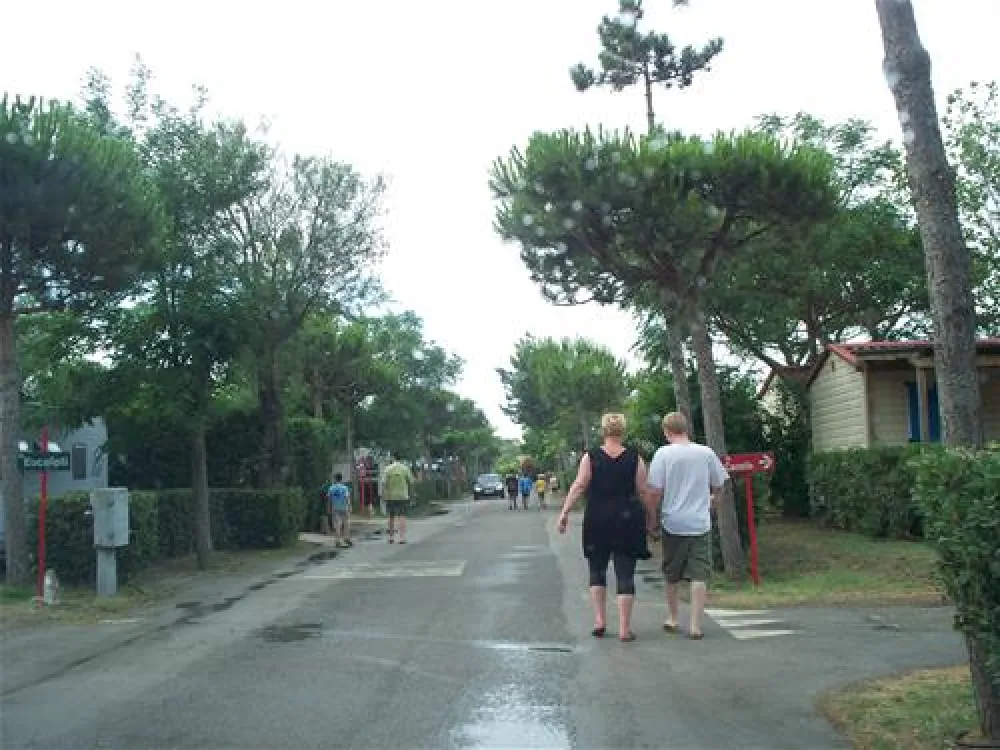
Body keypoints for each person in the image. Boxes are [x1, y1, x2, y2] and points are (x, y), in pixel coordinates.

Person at [558, 413, 654, 642]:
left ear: (603, 431)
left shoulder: (590, 457)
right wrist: (652, 515)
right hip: (627, 519)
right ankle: (624, 628)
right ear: (623, 431)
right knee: (625, 574)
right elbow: (643, 490)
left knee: (597, 571)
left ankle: (600, 620)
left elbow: (580, 484)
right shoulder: (634, 457)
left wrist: (565, 512)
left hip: (598, 518)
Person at [646, 411, 729, 641]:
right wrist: (712, 504)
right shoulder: (705, 453)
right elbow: (720, 485)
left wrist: (651, 518)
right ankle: (695, 625)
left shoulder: (663, 454)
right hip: (699, 523)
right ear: (686, 428)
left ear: (666, 431)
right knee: (699, 575)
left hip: (673, 521)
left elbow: (654, 491)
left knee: (672, 574)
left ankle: (673, 617)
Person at [380, 455, 415, 544]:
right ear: (400, 459)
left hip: (390, 496)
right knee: (402, 516)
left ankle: (391, 537)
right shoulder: (405, 468)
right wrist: (411, 495)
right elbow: (411, 482)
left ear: (393, 458)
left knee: (391, 516)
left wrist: (383, 495)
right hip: (403, 495)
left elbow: (383, 483)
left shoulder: (387, 469)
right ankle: (402, 538)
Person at [327, 473, 353, 548]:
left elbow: (329, 500)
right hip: (344, 507)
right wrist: (349, 506)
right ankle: (346, 538)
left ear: (335, 479)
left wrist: (329, 508)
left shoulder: (331, 488)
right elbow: (347, 498)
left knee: (337, 524)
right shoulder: (345, 488)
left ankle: (337, 541)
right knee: (346, 524)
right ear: (341, 479)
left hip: (335, 508)